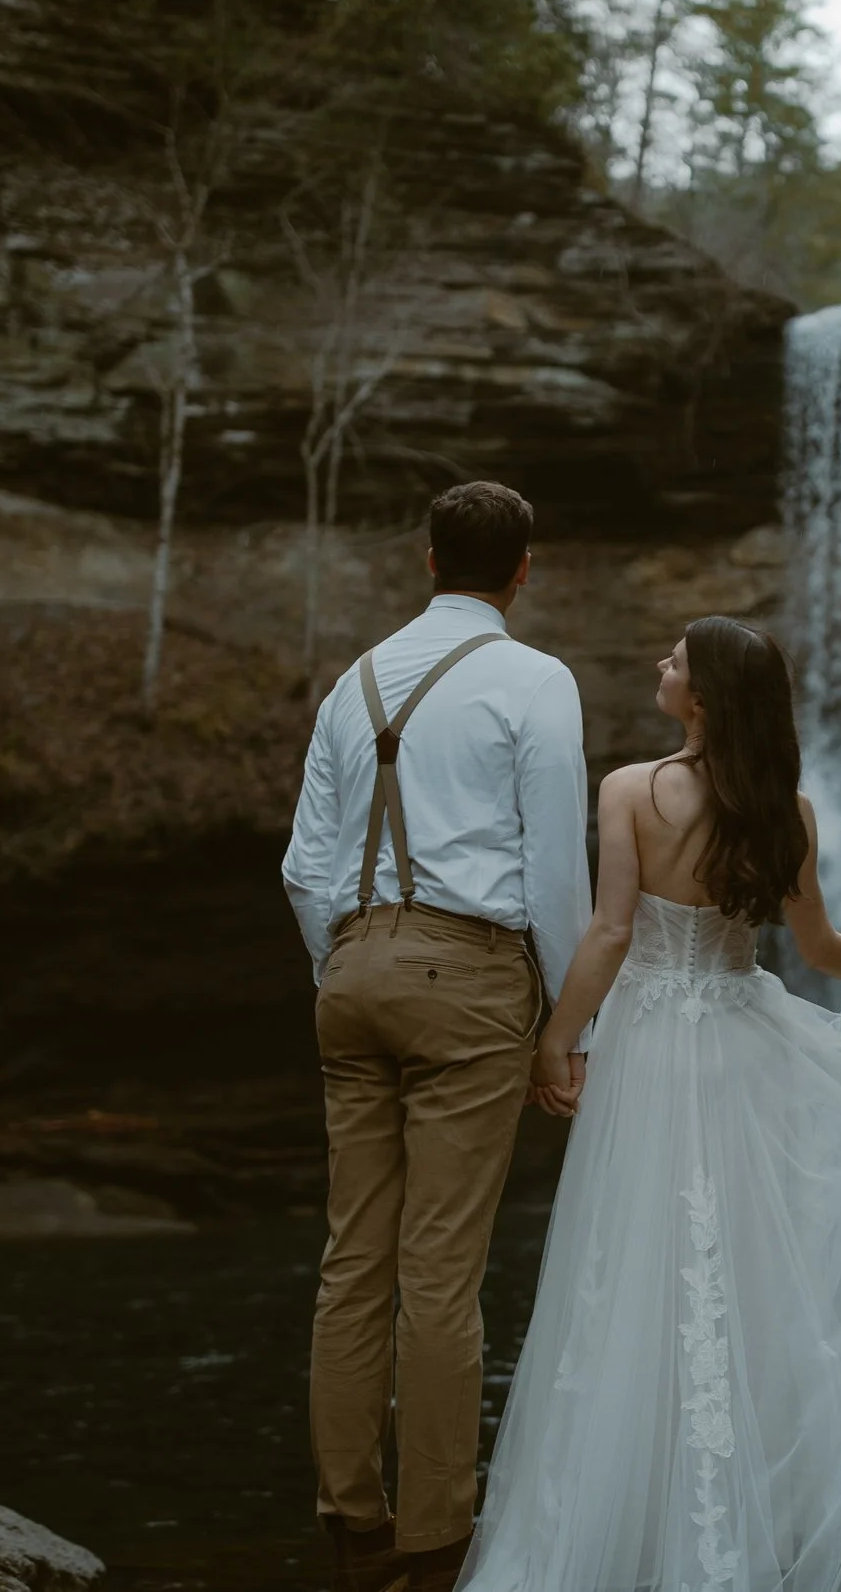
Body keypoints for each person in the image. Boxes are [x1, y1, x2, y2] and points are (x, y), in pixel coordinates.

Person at [459, 616, 841, 1592]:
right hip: (746, 1041)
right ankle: (771, 1500)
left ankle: (636, 1515)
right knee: (754, 1274)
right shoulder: (782, 809)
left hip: (652, 1048)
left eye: (673, 659)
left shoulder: (629, 788)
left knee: (632, 1266)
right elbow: (820, 944)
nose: (658, 664)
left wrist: (556, 1036)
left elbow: (611, 932)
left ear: (702, 696)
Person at [282, 481, 592, 1592]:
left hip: (351, 966)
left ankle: (351, 1524)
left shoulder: (351, 682)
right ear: (523, 569)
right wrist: (569, 1024)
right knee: (439, 1273)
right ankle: (434, 1542)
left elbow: (303, 866)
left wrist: (345, 958)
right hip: (465, 976)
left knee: (351, 1260)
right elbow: (556, 865)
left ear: (425, 560)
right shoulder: (534, 679)